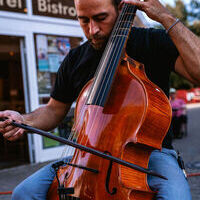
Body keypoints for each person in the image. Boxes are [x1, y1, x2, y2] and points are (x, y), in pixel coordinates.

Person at [0, 0, 200, 199]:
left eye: (100, 18)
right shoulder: (75, 59)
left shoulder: (152, 42)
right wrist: (24, 120)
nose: (92, 29)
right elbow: (53, 110)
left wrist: (166, 18)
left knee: (177, 196)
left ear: (120, 8)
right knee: (23, 193)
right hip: (89, 155)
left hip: (150, 154)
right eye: (83, 20)